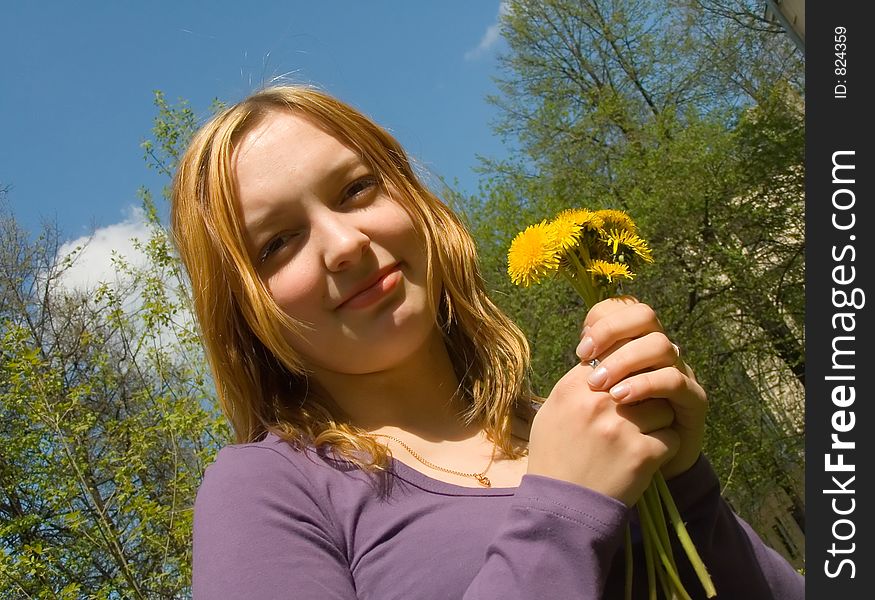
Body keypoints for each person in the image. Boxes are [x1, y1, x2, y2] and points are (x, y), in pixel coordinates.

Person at [171, 84, 804, 599]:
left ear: (414, 200)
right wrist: (564, 514)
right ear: (244, 312)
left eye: (356, 190)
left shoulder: (562, 425)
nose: (345, 245)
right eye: (278, 242)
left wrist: (686, 487)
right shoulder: (268, 491)